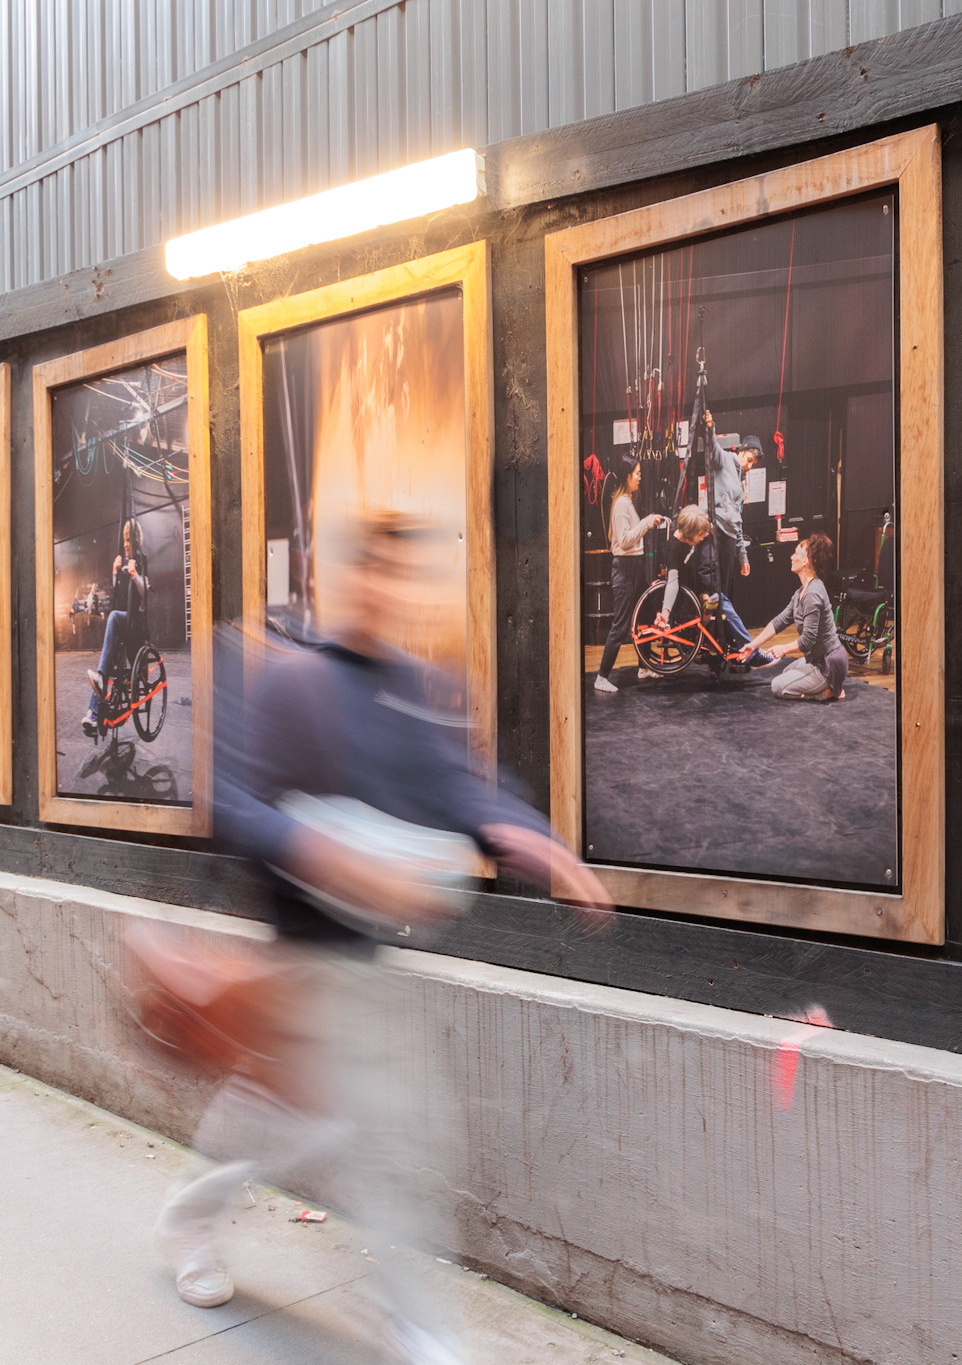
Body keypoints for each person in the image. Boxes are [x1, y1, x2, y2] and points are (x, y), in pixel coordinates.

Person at [156, 511, 611, 1365]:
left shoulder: (415, 688)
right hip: (298, 958)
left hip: (362, 965)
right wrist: (323, 853)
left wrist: (523, 832)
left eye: (401, 575)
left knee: (323, 1128)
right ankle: (419, 1331)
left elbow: (461, 788)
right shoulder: (290, 683)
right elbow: (236, 805)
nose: (386, 590)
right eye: (372, 571)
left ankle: (207, 1225)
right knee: (367, 1136)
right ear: (334, 581)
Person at [593, 457, 666, 695]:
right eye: (637, 473)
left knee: (643, 616)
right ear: (627, 476)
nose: (640, 477)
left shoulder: (627, 502)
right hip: (624, 570)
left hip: (634, 568)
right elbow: (624, 541)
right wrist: (646, 522)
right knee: (621, 625)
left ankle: (644, 666)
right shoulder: (622, 505)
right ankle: (602, 676)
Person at [747, 533, 849, 701]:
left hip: (828, 663)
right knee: (787, 672)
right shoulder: (800, 592)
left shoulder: (813, 593)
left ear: (804, 562)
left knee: (778, 687)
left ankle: (827, 691)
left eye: (795, 554)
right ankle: (829, 684)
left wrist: (782, 649)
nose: (791, 556)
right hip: (817, 660)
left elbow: (808, 640)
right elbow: (780, 621)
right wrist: (753, 645)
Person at [84, 519, 148, 737]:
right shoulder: (123, 564)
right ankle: (93, 714)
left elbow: (145, 591)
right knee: (105, 663)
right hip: (121, 620)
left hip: (135, 623)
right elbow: (117, 595)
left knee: (112, 617)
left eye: (129, 540)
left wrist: (134, 575)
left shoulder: (141, 561)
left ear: (137, 541)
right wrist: (115, 573)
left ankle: (99, 692)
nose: (126, 544)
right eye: (124, 540)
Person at [652, 504, 733, 674]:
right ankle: (705, 614)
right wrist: (665, 613)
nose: (702, 537)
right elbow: (672, 582)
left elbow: (705, 527)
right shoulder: (672, 549)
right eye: (699, 535)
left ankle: (707, 606)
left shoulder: (692, 532)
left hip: (695, 579)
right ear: (689, 534)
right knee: (710, 598)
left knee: (710, 591)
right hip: (683, 590)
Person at [705, 431, 763, 652]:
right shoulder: (725, 461)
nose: (750, 466)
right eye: (749, 460)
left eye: (753, 464)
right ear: (742, 451)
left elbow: (738, 521)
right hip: (715, 532)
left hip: (729, 538)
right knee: (713, 592)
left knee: (724, 593)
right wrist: (710, 426)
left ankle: (723, 642)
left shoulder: (740, 482)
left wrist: (743, 555)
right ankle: (713, 641)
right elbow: (712, 447)